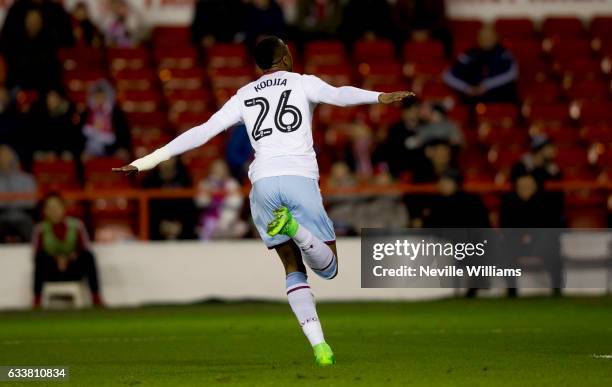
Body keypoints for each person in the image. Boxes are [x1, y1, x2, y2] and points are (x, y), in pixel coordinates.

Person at [114, 36, 414, 366]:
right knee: (329, 268)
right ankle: (297, 229)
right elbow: (339, 95)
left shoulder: (244, 95)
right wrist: (380, 97)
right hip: (298, 177)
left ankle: (319, 346)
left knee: (292, 267)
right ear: (285, 57)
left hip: (262, 184)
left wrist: (145, 161)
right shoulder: (302, 83)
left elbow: (202, 132)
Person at [32, 192, 103, 307]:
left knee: (89, 256)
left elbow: (85, 248)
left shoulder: (77, 225)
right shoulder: (40, 229)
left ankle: (96, 298)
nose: (54, 211)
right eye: (50, 207)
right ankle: (36, 301)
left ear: (63, 208)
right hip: (52, 271)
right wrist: (56, 259)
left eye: (56, 207)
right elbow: (36, 253)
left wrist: (68, 258)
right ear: (45, 211)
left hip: (72, 269)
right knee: (39, 259)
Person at [500, 172, 565, 295]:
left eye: (528, 186)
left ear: (535, 186)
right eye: (522, 186)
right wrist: (521, 236)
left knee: (552, 248)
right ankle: (511, 289)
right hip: (516, 242)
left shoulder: (546, 202)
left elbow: (552, 226)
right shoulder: (509, 201)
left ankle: (557, 287)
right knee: (505, 251)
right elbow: (506, 226)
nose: (525, 189)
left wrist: (533, 236)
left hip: (540, 242)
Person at [443, 25, 518, 104]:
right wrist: (466, 88)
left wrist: (486, 86)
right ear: (477, 38)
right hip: (472, 97)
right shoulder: (469, 54)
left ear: (496, 37)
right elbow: (447, 76)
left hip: (499, 97)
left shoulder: (504, 54)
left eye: (489, 37)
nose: (485, 40)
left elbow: (512, 73)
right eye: (483, 37)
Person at [142, 157, 196, 240]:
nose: (166, 163)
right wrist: (162, 225)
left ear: (175, 160)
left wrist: (180, 224)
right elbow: (147, 209)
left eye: (169, 159)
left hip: (181, 227)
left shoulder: (185, 180)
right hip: (156, 228)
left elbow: (190, 207)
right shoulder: (149, 182)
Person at [195, 159, 248, 240]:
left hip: (229, 220)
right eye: (216, 169)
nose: (219, 171)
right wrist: (210, 197)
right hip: (210, 220)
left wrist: (223, 198)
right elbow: (200, 202)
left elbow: (238, 202)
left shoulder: (232, 183)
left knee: (241, 227)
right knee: (206, 228)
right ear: (211, 170)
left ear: (226, 170)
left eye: (221, 169)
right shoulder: (205, 183)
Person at [80, 80, 131, 160]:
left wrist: (123, 148)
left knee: (122, 156)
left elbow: (124, 133)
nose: (100, 100)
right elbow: (81, 135)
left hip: (113, 147)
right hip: (91, 147)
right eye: (97, 97)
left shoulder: (116, 113)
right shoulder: (86, 113)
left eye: (102, 97)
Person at [32, 88, 83, 161]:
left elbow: (70, 138)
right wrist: (48, 152)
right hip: (46, 150)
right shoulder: (42, 114)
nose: (51, 100)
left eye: (54, 97)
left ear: (60, 98)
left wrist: (57, 153)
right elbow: (40, 136)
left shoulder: (69, 114)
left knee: (68, 157)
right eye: (49, 97)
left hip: (64, 151)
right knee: (37, 155)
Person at [0, 144, 37, 243]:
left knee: (28, 223)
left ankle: (31, 254)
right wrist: (15, 200)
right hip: (1, 215)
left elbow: (31, 202)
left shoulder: (28, 179)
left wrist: (7, 201)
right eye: (1, 155)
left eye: (7, 155)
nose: (4, 159)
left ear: (14, 157)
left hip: (23, 215)